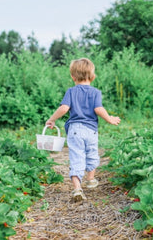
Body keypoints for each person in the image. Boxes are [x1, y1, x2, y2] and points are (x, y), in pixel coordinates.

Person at [46, 57, 121, 202]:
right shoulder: (95, 92)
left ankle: (77, 189)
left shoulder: (71, 91)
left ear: (73, 77)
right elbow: (98, 109)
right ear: (92, 77)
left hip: (75, 130)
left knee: (76, 157)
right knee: (92, 154)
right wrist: (110, 119)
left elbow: (64, 108)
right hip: (91, 130)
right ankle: (91, 179)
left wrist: (52, 119)